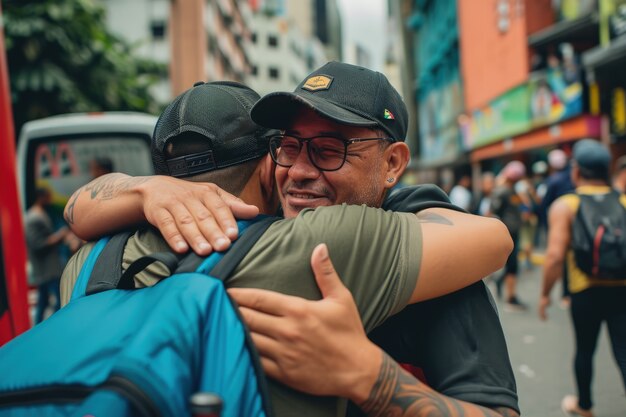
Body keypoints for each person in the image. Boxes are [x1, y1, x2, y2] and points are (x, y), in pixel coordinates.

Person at [65, 63, 520, 416]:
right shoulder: (258, 242)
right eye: (288, 146)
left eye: (328, 151)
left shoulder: (434, 262)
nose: (299, 171)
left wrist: (370, 377)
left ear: (393, 163)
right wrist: (148, 190)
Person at [539, 139, 626, 417]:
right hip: (622, 289)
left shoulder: (566, 205)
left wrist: (545, 294)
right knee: (624, 352)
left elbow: (553, 256)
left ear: (576, 171)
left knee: (585, 350)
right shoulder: (624, 200)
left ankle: (585, 406)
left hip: (584, 290)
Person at [24, 185, 70, 324]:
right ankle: (57, 324)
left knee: (43, 302)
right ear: (41, 197)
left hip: (47, 268)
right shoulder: (34, 218)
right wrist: (59, 236)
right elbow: (38, 244)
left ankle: (43, 326)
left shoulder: (39, 214)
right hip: (47, 268)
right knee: (59, 300)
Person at [490, 160, 527, 311]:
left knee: (512, 265)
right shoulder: (502, 191)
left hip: (514, 231)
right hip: (508, 232)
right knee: (511, 264)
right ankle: (510, 297)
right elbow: (493, 210)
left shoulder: (512, 190)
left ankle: (505, 288)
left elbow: (521, 205)